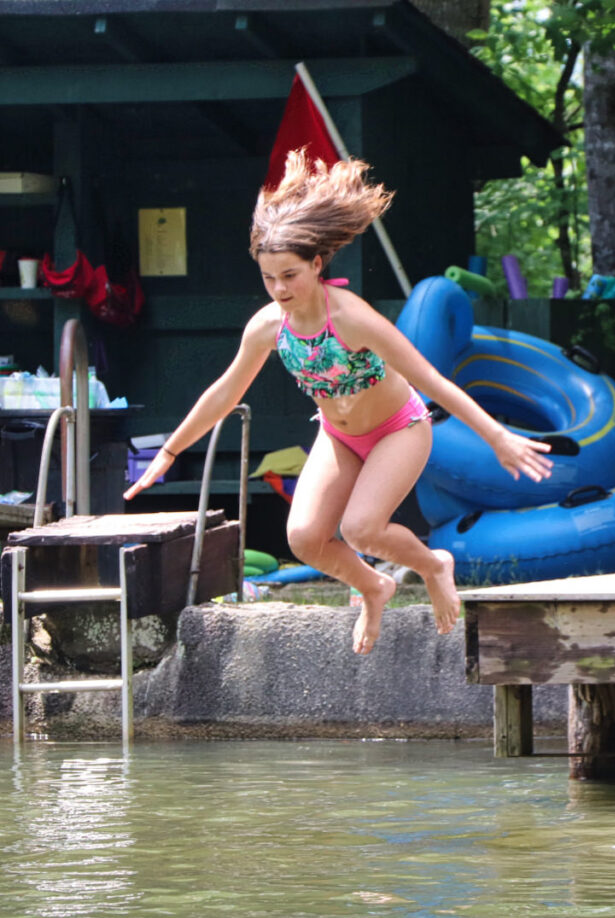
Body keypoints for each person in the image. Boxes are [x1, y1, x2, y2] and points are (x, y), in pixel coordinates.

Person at [124, 150, 552, 654]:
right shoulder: (268, 326)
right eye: (268, 277)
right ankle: (375, 587)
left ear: (317, 263)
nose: (279, 288)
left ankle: (434, 565)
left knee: (361, 528)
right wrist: (170, 451)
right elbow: (225, 390)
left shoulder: (351, 317)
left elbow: (431, 380)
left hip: (399, 428)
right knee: (304, 538)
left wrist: (497, 436)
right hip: (339, 436)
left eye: (290, 274)